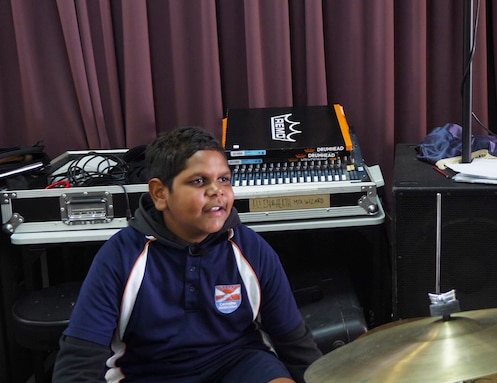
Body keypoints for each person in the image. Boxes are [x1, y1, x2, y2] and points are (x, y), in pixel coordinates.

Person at [53, 126, 323, 383]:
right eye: (198, 181)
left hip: (239, 362)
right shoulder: (119, 257)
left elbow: (293, 340)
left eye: (224, 180)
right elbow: (79, 361)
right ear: (160, 194)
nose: (217, 191)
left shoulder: (251, 249)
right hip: (149, 372)